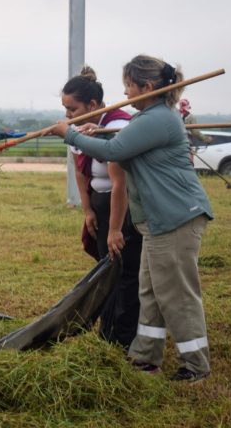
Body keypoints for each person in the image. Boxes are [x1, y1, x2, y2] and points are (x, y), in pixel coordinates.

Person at [46, 55, 214, 383]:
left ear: (147, 87)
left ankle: (196, 365)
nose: (125, 94)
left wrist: (70, 134)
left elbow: (114, 153)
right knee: (150, 291)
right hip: (157, 221)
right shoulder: (149, 117)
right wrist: (101, 131)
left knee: (176, 294)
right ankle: (145, 358)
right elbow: (122, 143)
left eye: (129, 87)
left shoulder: (158, 119)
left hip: (177, 217)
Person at [61, 66, 142, 350]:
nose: (68, 116)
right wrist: (88, 211)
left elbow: (121, 183)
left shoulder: (118, 127)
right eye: (66, 110)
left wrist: (116, 228)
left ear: (92, 105)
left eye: (72, 109)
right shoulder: (77, 132)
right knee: (106, 269)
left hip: (125, 207)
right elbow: (81, 174)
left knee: (125, 271)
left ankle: (123, 338)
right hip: (100, 205)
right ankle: (107, 333)